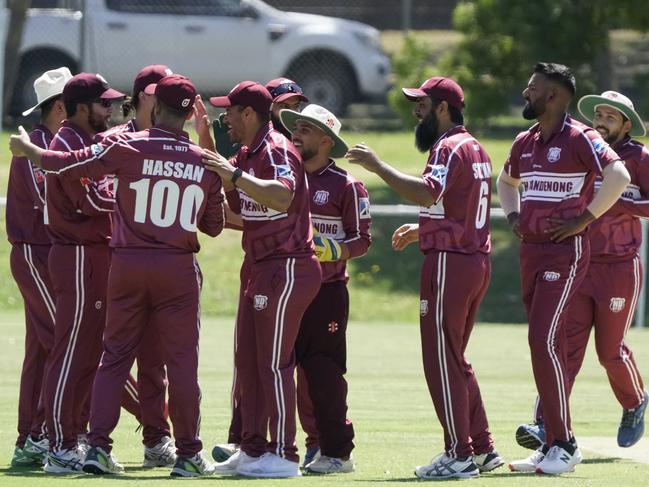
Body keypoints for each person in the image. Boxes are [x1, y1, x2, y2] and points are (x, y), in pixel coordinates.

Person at [9, 74, 226, 477]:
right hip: (176, 267)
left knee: (112, 358)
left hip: (125, 263)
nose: (110, 110)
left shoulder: (129, 147)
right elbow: (213, 224)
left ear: (155, 107)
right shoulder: (203, 160)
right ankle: (188, 454)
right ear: (192, 112)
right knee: (179, 364)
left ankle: (98, 447)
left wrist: (28, 150)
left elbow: (68, 166)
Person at [345, 76, 502, 480]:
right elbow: (458, 206)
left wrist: (378, 166)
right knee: (455, 359)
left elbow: (428, 193)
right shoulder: (474, 146)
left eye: (422, 104)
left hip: (452, 263)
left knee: (441, 361)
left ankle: (459, 453)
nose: (416, 111)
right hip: (472, 260)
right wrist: (423, 230)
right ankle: (482, 448)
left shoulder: (448, 146)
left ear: (444, 108)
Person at [497, 63, 631, 475]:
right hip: (531, 253)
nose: (525, 92)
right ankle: (552, 442)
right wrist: (514, 217)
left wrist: (584, 219)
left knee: (544, 340)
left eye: (533, 87)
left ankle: (564, 445)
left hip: (564, 254)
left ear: (553, 96)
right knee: (541, 344)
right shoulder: (525, 141)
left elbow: (619, 174)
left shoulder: (581, 136)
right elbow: (505, 182)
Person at [515, 90, 649, 452]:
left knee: (609, 351)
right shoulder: (583, 148)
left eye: (611, 116)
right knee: (564, 347)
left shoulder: (638, 159)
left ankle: (635, 401)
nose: (601, 121)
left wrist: (617, 201)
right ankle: (545, 424)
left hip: (619, 267)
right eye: (599, 114)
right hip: (578, 262)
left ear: (625, 125)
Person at [204, 81, 321, 478]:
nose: (226, 119)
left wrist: (232, 175)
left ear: (250, 114)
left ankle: (285, 454)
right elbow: (241, 211)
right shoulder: (246, 153)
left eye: (230, 112)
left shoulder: (275, 149)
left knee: (274, 363)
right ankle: (253, 448)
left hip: (287, 265)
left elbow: (283, 196)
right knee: (250, 361)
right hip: (260, 265)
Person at [35, 72, 126, 473]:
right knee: (70, 351)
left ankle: (76, 435)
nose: (109, 109)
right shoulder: (68, 142)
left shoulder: (88, 142)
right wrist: (132, 196)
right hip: (75, 256)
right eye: (102, 103)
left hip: (94, 255)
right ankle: (58, 445)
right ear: (79, 107)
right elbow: (93, 199)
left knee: (90, 351)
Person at [280, 103, 371, 474]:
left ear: (325, 139)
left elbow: (362, 240)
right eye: (294, 128)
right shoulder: (285, 178)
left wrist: (333, 250)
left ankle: (338, 452)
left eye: (303, 128)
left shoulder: (346, 185)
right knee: (283, 369)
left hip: (327, 291)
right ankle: (278, 447)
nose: (294, 134)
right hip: (287, 286)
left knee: (323, 373)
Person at [99, 64, 177, 469]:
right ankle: (92, 440)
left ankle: (156, 438)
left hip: (163, 264)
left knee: (155, 359)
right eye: (156, 91)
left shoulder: (175, 142)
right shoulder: (115, 140)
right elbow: (95, 190)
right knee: (111, 356)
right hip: (118, 261)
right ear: (143, 95)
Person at [7, 67, 71, 467]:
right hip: (35, 254)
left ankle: (31, 436)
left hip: (52, 255)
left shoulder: (57, 143)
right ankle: (154, 418)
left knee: (41, 347)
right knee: (65, 342)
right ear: (62, 107)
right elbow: (48, 200)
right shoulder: (38, 145)